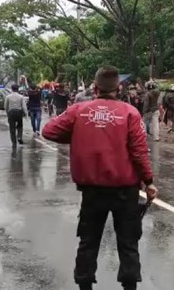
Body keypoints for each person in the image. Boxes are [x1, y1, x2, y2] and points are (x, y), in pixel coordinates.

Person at [42, 66, 158, 290]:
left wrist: (80, 135)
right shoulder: (129, 113)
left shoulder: (79, 111)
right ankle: (129, 286)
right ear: (120, 88)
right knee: (128, 243)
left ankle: (85, 285)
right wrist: (149, 181)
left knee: (88, 241)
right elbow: (139, 151)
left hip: (92, 191)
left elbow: (49, 131)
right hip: (126, 191)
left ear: (94, 88)